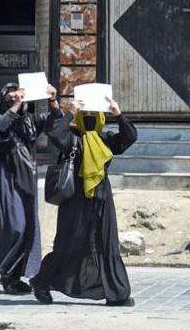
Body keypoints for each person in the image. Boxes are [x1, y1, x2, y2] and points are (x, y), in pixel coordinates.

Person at [31, 98, 137, 306]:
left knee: (106, 243)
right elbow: (55, 134)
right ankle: (42, 282)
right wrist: (70, 113)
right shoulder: (72, 139)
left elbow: (130, 137)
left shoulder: (105, 140)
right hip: (75, 202)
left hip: (101, 200)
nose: (89, 119)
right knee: (68, 245)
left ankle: (117, 293)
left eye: (93, 115)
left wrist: (118, 114)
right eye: (85, 115)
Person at [0, 83, 61, 294]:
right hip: (8, 178)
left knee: (30, 226)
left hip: (27, 177)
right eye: (12, 96)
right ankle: (7, 275)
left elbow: (55, 124)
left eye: (19, 95)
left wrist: (53, 101)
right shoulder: (0, 119)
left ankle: (19, 277)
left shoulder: (30, 121)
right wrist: (16, 105)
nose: (17, 98)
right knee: (15, 227)